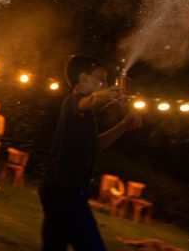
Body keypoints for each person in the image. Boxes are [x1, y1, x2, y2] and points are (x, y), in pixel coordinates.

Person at [39, 54, 142, 251]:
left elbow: (95, 146)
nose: (103, 83)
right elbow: (89, 101)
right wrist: (107, 94)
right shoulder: (73, 102)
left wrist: (123, 126)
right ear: (83, 78)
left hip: (57, 188)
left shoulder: (85, 114)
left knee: (53, 246)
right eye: (100, 78)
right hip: (65, 191)